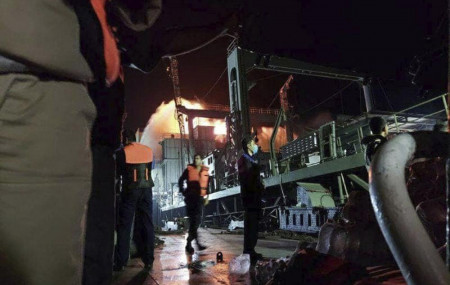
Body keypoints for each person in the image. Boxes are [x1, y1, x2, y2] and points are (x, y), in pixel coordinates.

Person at [114, 130, 155, 271]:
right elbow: (149, 169)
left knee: (125, 225)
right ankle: (149, 259)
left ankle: (121, 261)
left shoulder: (122, 152)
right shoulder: (148, 150)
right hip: (147, 190)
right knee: (147, 224)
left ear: (125, 139)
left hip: (130, 190)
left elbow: (117, 173)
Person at [238, 134, 265, 264]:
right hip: (250, 197)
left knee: (253, 226)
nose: (255, 145)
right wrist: (257, 185)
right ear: (248, 145)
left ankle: (250, 250)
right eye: (253, 143)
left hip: (254, 196)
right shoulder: (244, 160)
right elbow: (247, 179)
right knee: (251, 225)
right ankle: (248, 251)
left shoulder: (250, 159)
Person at [178, 154, 210, 254]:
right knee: (194, 222)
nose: (196, 160)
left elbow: (207, 185)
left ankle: (189, 244)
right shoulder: (189, 170)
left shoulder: (205, 171)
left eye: (198, 158)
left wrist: (207, 197)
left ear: (201, 160)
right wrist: (183, 191)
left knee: (196, 222)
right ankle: (196, 244)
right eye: (195, 158)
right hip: (191, 199)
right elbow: (180, 180)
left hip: (200, 199)